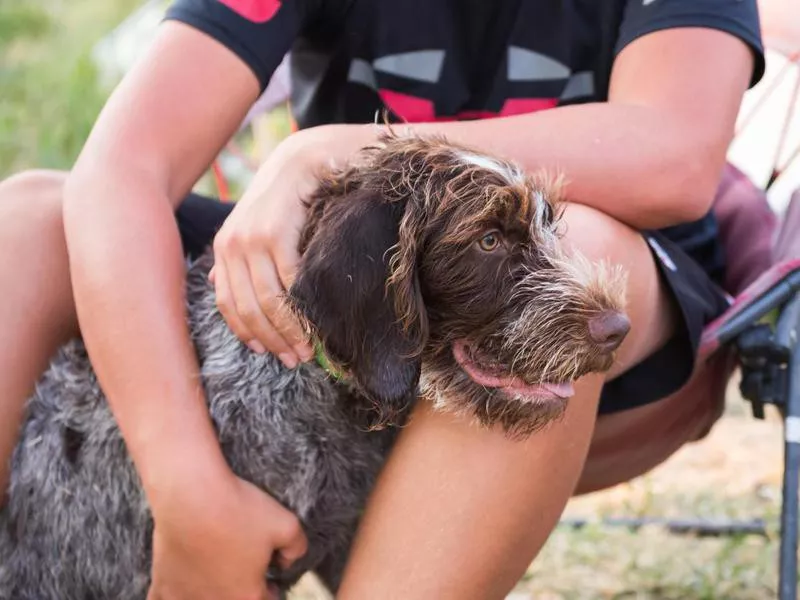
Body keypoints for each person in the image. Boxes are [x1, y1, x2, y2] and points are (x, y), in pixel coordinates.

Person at [0, 0, 764, 598]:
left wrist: (338, 147)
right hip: (369, 290)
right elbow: (123, 166)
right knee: (28, 221)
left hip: (620, 326)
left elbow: (676, 155)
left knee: (579, 246)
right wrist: (189, 494)